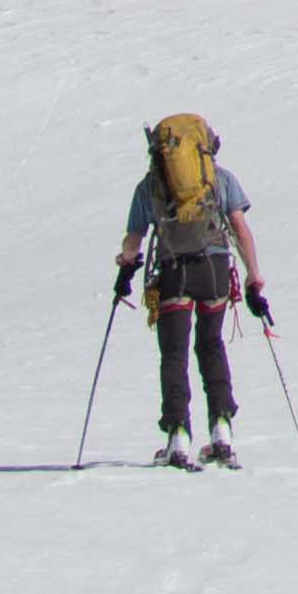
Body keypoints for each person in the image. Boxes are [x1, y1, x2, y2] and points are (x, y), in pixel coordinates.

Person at [112, 113, 274, 467]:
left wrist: (124, 267)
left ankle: (178, 436)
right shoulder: (220, 179)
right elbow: (241, 230)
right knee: (211, 345)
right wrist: (253, 277)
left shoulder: (151, 185)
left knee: (175, 353)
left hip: (174, 274)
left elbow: (133, 240)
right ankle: (221, 432)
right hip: (215, 273)